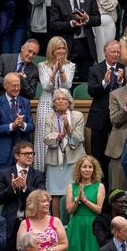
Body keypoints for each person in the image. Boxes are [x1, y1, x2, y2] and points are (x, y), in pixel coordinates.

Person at [0, 141, 46, 251]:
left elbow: (42, 195)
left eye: (32, 153)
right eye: (26, 153)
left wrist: (25, 188)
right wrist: (11, 188)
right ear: (17, 156)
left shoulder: (38, 175)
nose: (30, 156)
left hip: (31, 223)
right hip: (11, 225)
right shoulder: (5, 173)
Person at [64, 155, 106, 251]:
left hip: (92, 228)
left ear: (94, 169)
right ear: (79, 169)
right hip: (76, 228)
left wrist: (85, 200)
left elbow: (99, 210)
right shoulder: (71, 187)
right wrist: (77, 199)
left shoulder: (99, 186)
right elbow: (69, 210)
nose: (87, 169)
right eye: (84, 167)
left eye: (90, 167)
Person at [49, 0, 101, 82]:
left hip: (86, 44)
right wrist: (71, 24)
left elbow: (97, 19)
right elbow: (54, 24)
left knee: (86, 81)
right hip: (67, 45)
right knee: (66, 81)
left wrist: (87, 19)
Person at [86, 40, 126, 184]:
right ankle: (99, 189)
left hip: (119, 120)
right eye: (113, 52)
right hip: (100, 120)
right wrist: (104, 82)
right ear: (105, 52)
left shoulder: (124, 69)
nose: (116, 54)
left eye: (118, 52)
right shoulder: (95, 69)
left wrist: (121, 83)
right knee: (98, 158)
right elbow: (92, 92)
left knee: (116, 158)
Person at [35, 37, 76, 171]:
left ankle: (62, 173)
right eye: (58, 48)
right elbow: (46, 86)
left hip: (64, 104)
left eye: (63, 48)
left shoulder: (70, 65)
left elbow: (67, 85)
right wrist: (54, 70)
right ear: (52, 50)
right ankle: (44, 172)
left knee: (63, 135)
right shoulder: (42, 65)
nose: (61, 51)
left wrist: (61, 69)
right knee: (46, 137)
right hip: (47, 103)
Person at [44, 88, 86, 216]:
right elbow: (46, 137)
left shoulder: (77, 115)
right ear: (54, 103)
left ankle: (73, 221)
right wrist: (59, 135)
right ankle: (57, 224)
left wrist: (69, 129)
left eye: (64, 98)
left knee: (74, 192)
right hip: (55, 160)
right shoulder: (49, 117)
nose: (61, 101)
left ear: (69, 102)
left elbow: (79, 138)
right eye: (58, 99)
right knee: (55, 195)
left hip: (74, 159)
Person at [0, 72, 36, 178]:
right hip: (3, 154)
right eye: (13, 86)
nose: (16, 89)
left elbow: (31, 126)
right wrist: (12, 126)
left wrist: (23, 124)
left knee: (23, 187)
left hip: (22, 155)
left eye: (18, 85)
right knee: (2, 187)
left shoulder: (25, 102)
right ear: (5, 86)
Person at [0, 38, 41, 108]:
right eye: (29, 51)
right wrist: (10, 80)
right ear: (22, 48)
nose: (31, 55)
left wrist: (22, 80)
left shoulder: (34, 70)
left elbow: (31, 94)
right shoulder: (5, 58)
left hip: (17, 109)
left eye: (34, 54)